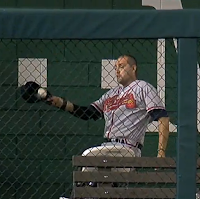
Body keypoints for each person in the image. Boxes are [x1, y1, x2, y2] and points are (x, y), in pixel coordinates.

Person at [47, 54, 170, 159]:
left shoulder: (143, 87)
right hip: (107, 146)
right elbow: (87, 113)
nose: (117, 70)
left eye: (121, 66)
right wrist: (62, 103)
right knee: (87, 169)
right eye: (116, 67)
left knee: (91, 164)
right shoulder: (111, 94)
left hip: (129, 147)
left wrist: (161, 152)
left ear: (133, 68)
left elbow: (162, 117)